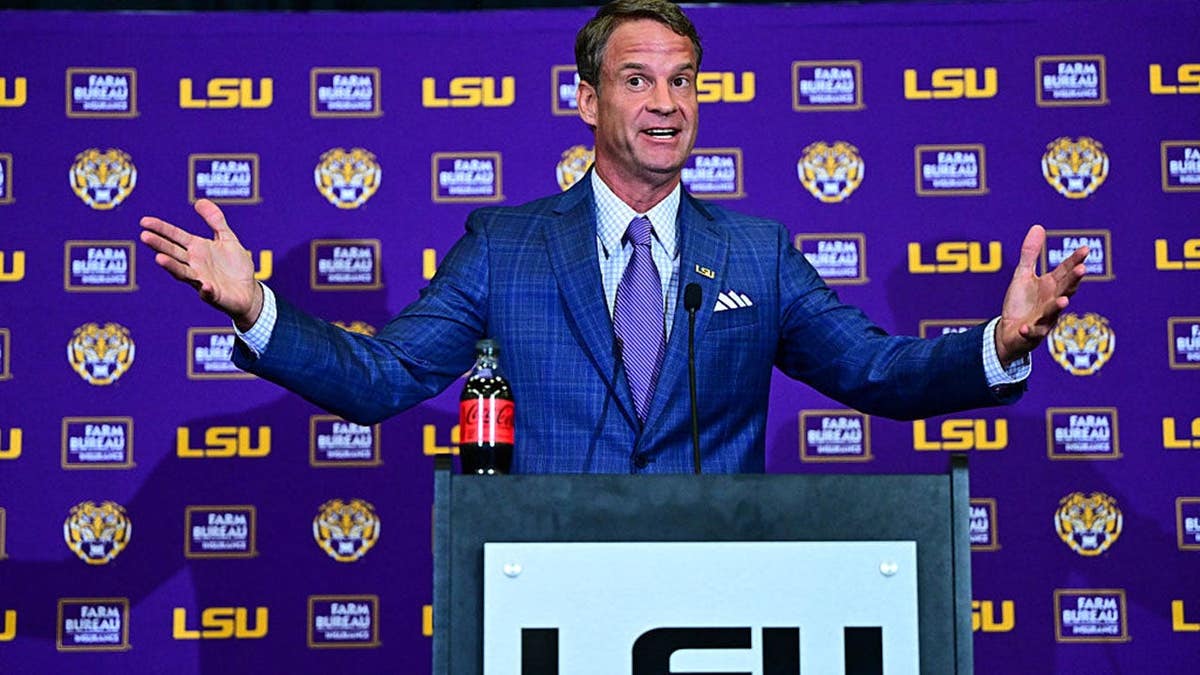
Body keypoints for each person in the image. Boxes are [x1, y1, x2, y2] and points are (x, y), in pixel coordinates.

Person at [139, 0, 1088, 474]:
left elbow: (875, 372)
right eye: (637, 81)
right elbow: (383, 378)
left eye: (682, 81)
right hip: (546, 588)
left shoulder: (755, 253)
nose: (665, 103)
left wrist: (999, 344)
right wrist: (257, 309)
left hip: (717, 594)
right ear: (589, 101)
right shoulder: (506, 247)